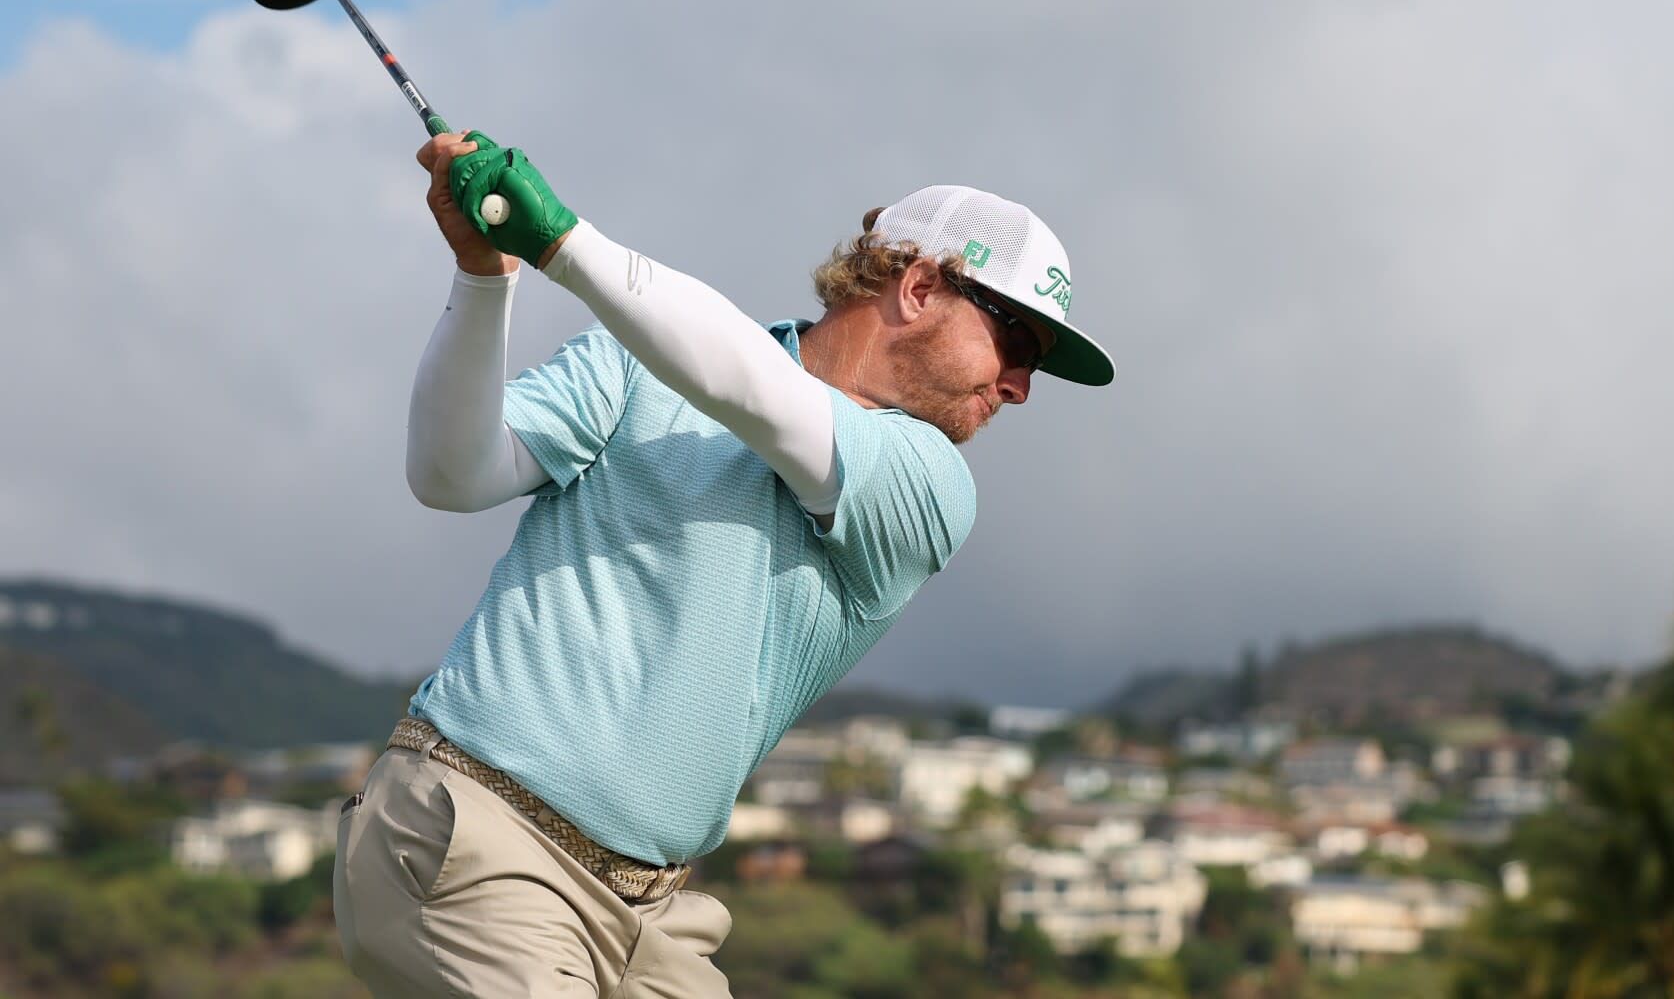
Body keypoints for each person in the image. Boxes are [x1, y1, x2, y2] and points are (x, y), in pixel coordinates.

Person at [332, 129, 1115, 997]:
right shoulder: (645, 358)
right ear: (921, 286)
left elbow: (757, 392)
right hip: (476, 842)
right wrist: (486, 279)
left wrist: (562, 240)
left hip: (653, 918)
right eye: (1017, 342)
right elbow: (452, 473)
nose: (1019, 386)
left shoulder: (928, 483)